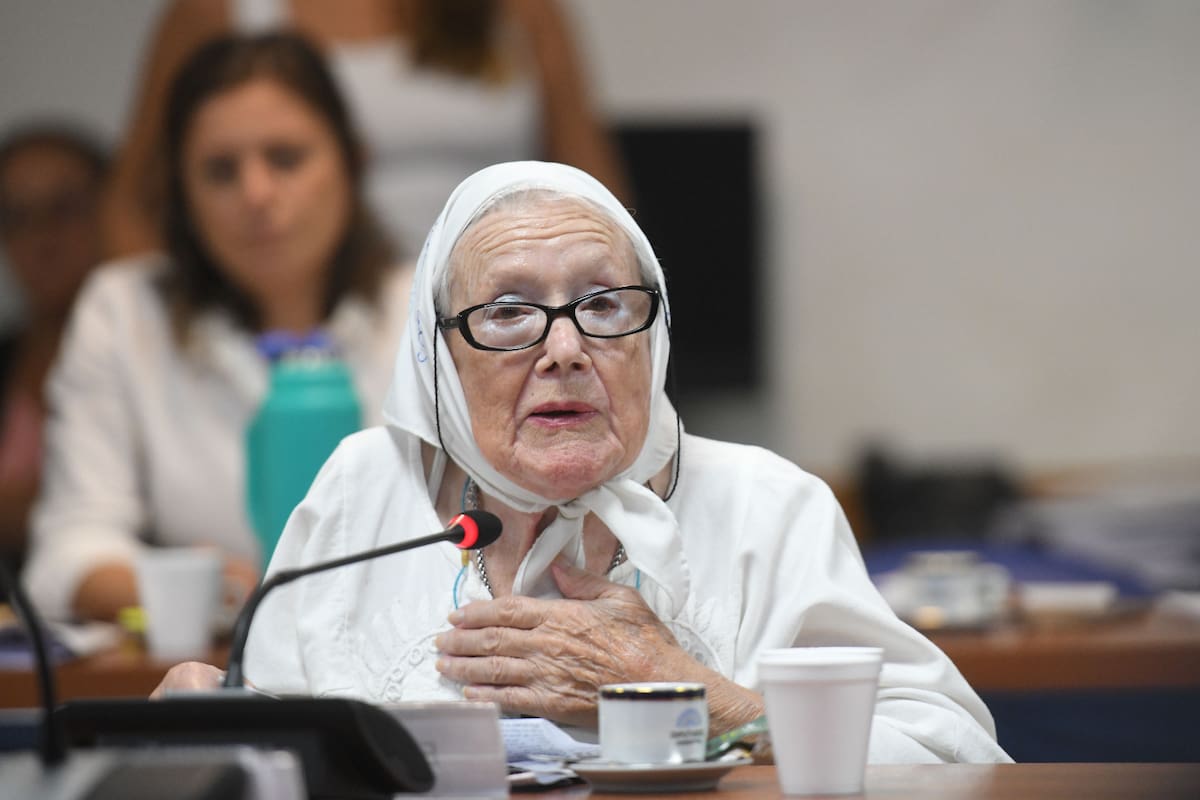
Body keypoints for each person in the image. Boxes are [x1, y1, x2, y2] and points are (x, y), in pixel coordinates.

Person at [156, 160, 1010, 762]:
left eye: (604, 304)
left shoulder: (770, 506)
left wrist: (694, 696)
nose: (565, 348)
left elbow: (959, 757)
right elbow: (275, 754)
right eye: (508, 312)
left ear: (654, 333)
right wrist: (213, 732)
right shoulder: (367, 489)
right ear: (438, 356)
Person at [22, 33, 412, 624]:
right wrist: (183, 589)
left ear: (353, 162)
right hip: (212, 661)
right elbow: (65, 552)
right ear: (182, 192)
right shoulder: (125, 311)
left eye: (285, 158)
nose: (256, 194)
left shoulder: (430, 305)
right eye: (220, 170)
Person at [104, 0, 626, 261]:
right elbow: (131, 203)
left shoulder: (521, 12)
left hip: (508, 313)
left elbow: (599, 197)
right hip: (304, 322)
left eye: (285, 157)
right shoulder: (219, 12)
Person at [0, 126, 108, 576]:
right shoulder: (7, 357)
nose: (42, 237)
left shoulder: (147, 360)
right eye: (16, 216)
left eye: (65, 209)